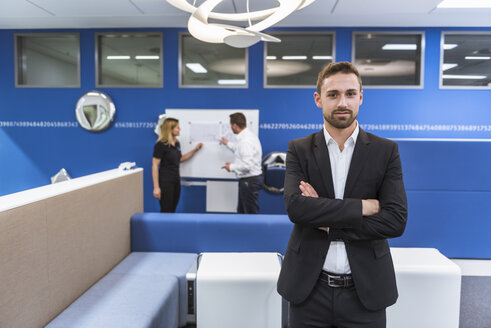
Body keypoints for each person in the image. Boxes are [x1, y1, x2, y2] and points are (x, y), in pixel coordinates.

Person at [277, 62, 408, 328]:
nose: (342, 102)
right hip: (309, 289)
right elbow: (297, 209)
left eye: (350, 93)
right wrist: (363, 206)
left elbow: (395, 220)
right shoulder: (299, 149)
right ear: (318, 99)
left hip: (366, 291)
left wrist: (326, 222)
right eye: (333, 94)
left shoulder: (385, 151)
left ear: (361, 97)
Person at [152, 118, 203, 213]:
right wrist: (156, 187)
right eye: (177, 127)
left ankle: (170, 227)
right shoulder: (160, 145)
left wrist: (195, 150)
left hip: (176, 180)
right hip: (165, 182)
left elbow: (180, 159)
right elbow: (154, 166)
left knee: (173, 209)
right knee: (166, 210)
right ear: (170, 129)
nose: (179, 129)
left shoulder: (177, 143)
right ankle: (164, 228)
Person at [221, 112, 263, 214]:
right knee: (242, 211)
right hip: (249, 181)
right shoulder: (247, 137)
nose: (231, 128)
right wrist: (228, 144)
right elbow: (238, 150)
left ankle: (252, 230)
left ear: (235, 125)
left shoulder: (245, 141)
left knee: (249, 212)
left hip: (249, 181)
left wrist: (231, 167)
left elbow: (247, 166)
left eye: (231, 126)